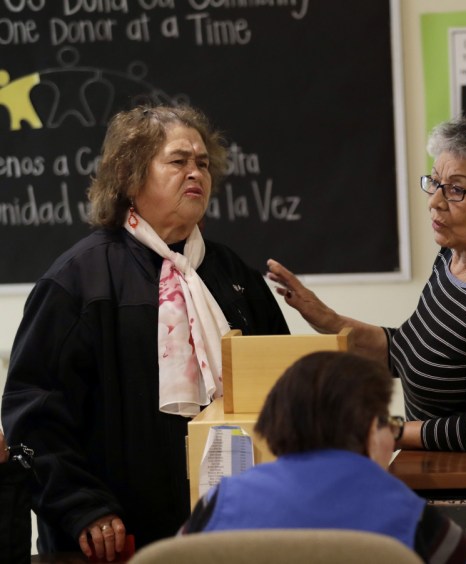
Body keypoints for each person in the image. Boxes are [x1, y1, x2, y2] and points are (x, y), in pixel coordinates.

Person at [1, 105, 289, 561]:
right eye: (178, 161)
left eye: (203, 163)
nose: (196, 172)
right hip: (111, 536)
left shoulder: (234, 276)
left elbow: (281, 392)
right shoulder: (78, 280)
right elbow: (33, 413)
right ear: (131, 176)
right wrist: (83, 507)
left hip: (233, 529)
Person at [267, 114, 466, 452]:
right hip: (449, 470)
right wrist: (331, 321)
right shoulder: (455, 257)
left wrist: (383, 431)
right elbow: (407, 350)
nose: (435, 201)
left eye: (456, 189)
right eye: (435, 182)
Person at [179, 351, 466, 564]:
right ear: (368, 428)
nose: (392, 436)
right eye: (388, 422)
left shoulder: (219, 504)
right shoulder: (401, 513)